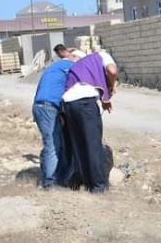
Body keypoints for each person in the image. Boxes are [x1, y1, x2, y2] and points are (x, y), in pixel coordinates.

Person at [61, 49, 117, 193]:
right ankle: (98, 186)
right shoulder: (103, 55)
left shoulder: (81, 64)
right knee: (93, 145)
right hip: (85, 103)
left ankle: (83, 182)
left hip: (68, 103)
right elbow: (111, 71)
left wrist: (104, 98)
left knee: (79, 144)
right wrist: (111, 86)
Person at [33, 44, 79, 188]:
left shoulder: (54, 67)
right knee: (52, 145)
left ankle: (61, 177)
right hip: (47, 107)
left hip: (45, 107)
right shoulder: (69, 66)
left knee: (58, 143)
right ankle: (49, 182)